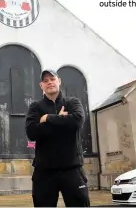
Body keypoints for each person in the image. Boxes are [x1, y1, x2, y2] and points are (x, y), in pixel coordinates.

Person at [25, 69, 90, 207]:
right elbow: (31, 133)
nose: (49, 83)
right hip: (44, 171)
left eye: (52, 79)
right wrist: (62, 121)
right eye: (45, 81)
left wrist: (47, 118)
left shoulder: (72, 102)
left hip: (72, 169)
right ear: (41, 85)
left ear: (59, 81)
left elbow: (77, 121)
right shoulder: (35, 107)